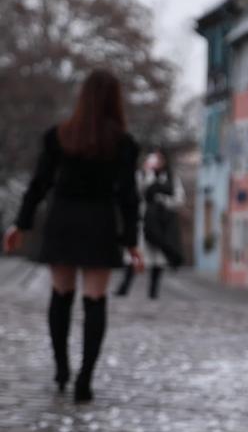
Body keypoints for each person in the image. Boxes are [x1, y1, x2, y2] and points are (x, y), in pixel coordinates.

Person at [3, 69, 143, 404]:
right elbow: (128, 196)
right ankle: (85, 379)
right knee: (95, 301)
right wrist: (131, 241)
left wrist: (20, 225)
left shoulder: (59, 136)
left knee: (60, 296)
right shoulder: (123, 144)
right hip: (99, 224)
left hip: (62, 220)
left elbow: (39, 185)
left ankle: (62, 367)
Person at [114, 150, 185, 299]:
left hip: (162, 223)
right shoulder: (141, 175)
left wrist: (163, 200)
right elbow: (135, 194)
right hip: (144, 221)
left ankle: (153, 292)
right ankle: (124, 288)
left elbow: (179, 199)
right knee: (135, 255)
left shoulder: (171, 177)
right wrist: (148, 177)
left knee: (158, 259)